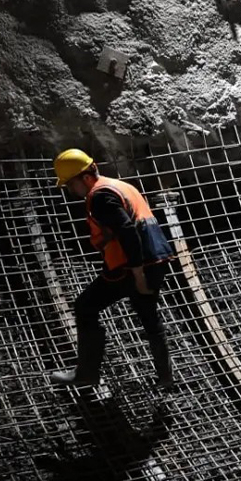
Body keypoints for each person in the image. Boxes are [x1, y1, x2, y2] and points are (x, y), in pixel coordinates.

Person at [49, 149, 174, 389]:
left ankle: (86, 374)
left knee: (85, 307)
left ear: (85, 177)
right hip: (157, 260)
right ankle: (166, 378)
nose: (71, 192)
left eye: (71, 185)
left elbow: (127, 230)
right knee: (149, 316)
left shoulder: (100, 197)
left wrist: (137, 273)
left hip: (131, 266)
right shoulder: (119, 185)